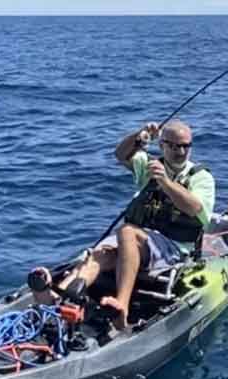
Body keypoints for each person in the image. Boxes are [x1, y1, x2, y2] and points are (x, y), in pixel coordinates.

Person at [29, 119, 216, 329]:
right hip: (139, 241)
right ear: (162, 145)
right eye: (173, 145)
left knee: (127, 232)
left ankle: (121, 307)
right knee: (101, 253)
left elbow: (194, 208)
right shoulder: (150, 166)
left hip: (173, 247)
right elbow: (121, 154)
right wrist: (140, 135)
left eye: (185, 146)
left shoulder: (200, 177)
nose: (180, 151)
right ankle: (56, 296)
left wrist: (165, 182)